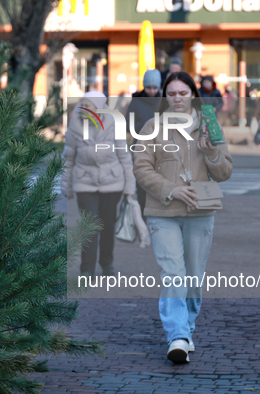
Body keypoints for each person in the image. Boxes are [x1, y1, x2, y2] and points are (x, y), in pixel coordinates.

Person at [133, 72, 233, 363]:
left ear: (193, 94)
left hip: (200, 214)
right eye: (172, 93)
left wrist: (211, 151)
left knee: (193, 277)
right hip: (162, 212)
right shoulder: (152, 126)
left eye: (183, 92)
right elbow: (141, 168)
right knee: (173, 273)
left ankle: (186, 330)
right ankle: (176, 335)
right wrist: (171, 189)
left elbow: (225, 172)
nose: (177, 98)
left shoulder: (209, 125)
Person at [63, 91, 136, 277]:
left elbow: (125, 157)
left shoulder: (114, 123)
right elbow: (68, 158)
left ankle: (106, 264)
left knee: (107, 225)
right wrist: (67, 186)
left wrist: (129, 187)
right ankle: (87, 269)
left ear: (100, 107)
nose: (83, 109)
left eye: (88, 106)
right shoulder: (75, 123)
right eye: (82, 105)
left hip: (112, 182)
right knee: (90, 225)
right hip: (84, 181)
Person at [126, 69, 163, 216]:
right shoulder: (136, 101)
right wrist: (149, 126)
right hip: (140, 147)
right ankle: (143, 214)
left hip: (161, 148)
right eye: (149, 88)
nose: (152, 91)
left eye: (155, 88)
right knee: (142, 183)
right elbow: (129, 124)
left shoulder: (164, 100)